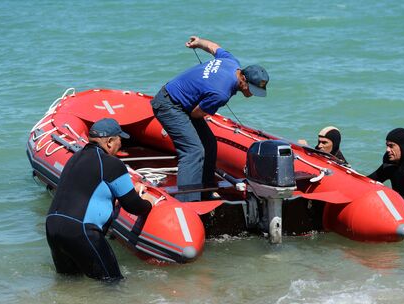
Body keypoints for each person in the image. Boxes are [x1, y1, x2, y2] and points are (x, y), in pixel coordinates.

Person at [150, 35, 269, 202]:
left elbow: (213, 47)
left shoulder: (231, 62)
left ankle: (206, 189)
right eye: (252, 89)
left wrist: (198, 42)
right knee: (193, 150)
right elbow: (196, 114)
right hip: (169, 105)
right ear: (242, 78)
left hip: (181, 102)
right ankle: (188, 201)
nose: (252, 94)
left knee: (210, 144)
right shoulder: (221, 93)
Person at [45, 118, 154, 281]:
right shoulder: (112, 163)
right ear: (109, 141)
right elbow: (133, 206)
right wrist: (147, 201)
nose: (121, 145)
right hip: (81, 230)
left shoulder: (74, 158)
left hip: (53, 227)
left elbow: (86, 191)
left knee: (70, 283)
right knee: (113, 283)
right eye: (119, 140)